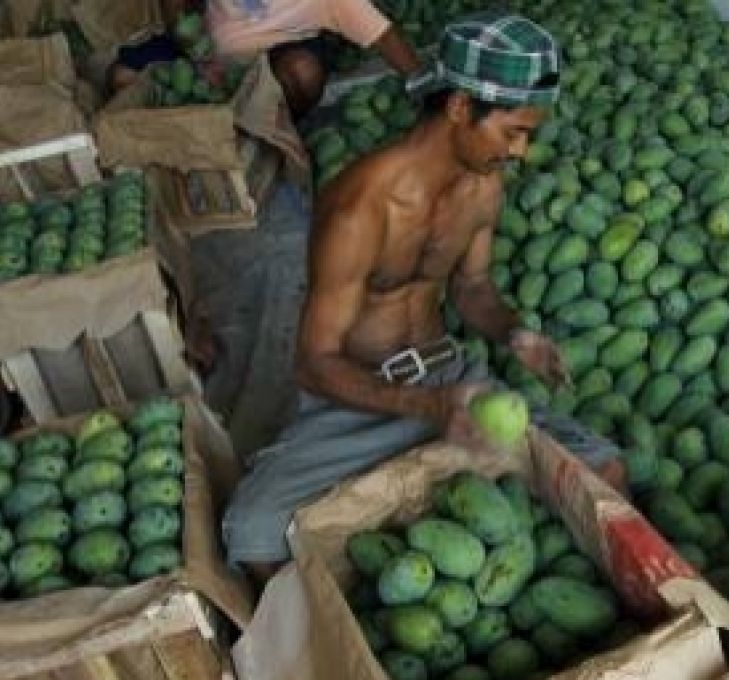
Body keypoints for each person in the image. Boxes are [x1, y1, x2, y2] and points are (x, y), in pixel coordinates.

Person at [222, 11, 627, 585]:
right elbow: (315, 365)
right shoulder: (359, 207)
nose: (522, 152)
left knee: (604, 470)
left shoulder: (483, 187)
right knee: (253, 534)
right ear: (461, 108)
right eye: (513, 131)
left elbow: (472, 289)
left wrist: (516, 334)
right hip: (360, 399)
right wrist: (431, 409)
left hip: (451, 376)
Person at [110, 0, 422, 117]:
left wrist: (425, 88)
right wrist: (195, 49)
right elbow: (176, 6)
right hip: (201, 48)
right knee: (122, 78)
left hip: (275, 58)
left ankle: (272, 127)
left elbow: (385, 36)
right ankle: (183, 136)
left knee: (304, 73)